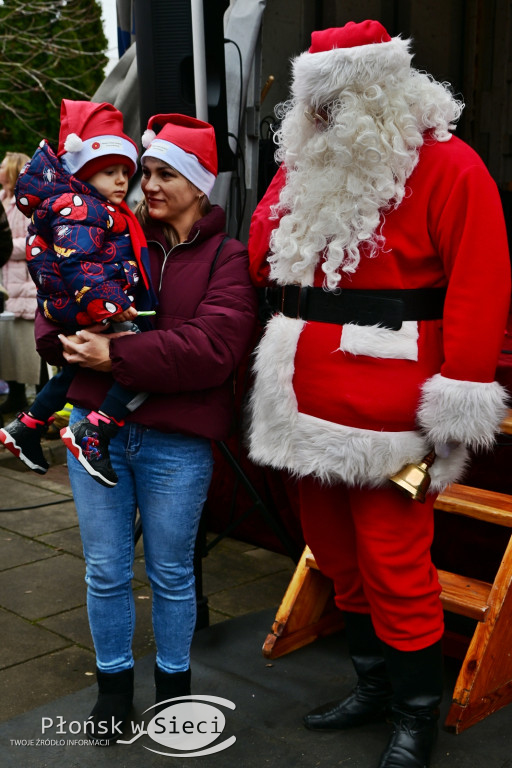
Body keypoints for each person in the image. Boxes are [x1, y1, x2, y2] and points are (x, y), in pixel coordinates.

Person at [247, 21, 511, 768]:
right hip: (302, 402)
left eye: (334, 104)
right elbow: (261, 255)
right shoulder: (306, 165)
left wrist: (456, 403)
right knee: (335, 556)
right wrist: (291, 184)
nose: (321, 119)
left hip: (395, 411)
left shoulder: (450, 167)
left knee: (396, 562)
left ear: (379, 94)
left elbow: (481, 284)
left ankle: (414, 715)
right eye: (313, 105)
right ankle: (371, 687)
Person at [34, 113, 257, 742]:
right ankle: (112, 692)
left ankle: (172, 692)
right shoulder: (113, 233)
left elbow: (213, 348)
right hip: (91, 430)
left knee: (171, 572)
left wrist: (114, 354)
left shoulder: (228, 258)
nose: (146, 184)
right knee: (104, 570)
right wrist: (68, 336)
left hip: (175, 440)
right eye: (145, 172)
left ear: (198, 183)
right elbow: (54, 314)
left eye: (163, 173)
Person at [0, 100, 156, 487]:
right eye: (109, 171)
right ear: (85, 172)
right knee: (145, 361)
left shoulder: (86, 205)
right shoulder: (81, 207)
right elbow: (80, 263)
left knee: (75, 368)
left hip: (78, 306)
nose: (122, 180)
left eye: (125, 172)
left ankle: (28, 425)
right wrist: (114, 305)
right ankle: (95, 432)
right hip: (89, 305)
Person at [0, 150, 37, 416]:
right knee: (9, 348)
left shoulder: (27, 204)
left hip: (24, 286)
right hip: (6, 285)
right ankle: (15, 397)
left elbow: (33, 241)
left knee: (30, 350)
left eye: (3, 166)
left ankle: (40, 405)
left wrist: (4, 247)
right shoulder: (1, 199)